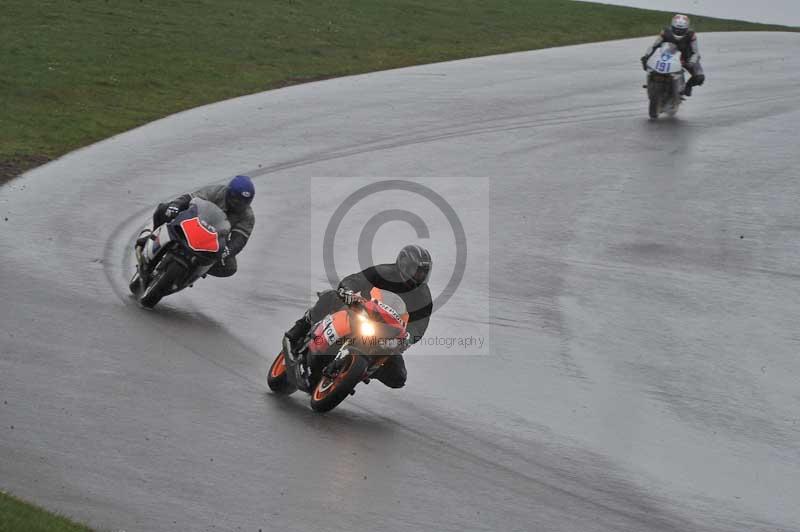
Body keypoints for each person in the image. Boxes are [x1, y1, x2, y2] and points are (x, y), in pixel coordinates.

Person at [284, 244, 434, 389]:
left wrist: (407, 338)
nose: (420, 276)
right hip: (360, 311)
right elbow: (354, 280)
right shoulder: (383, 272)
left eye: (424, 273)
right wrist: (347, 292)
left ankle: (360, 371)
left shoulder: (424, 296)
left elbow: (420, 326)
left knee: (398, 377)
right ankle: (299, 329)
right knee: (331, 296)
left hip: (386, 332)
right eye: (417, 271)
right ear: (404, 264)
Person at [145, 175, 255, 278]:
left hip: (214, 240)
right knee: (164, 209)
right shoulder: (216, 191)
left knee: (230, 267)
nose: (239, 204)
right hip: (194, 223)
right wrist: (176, 205)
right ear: (229, 193)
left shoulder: (248, 216)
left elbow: (240, 239)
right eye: (236, 199)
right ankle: (151, 237)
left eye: (244, 202)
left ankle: (194, 271)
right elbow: (190, 197)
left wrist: (228, 250)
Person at [641, 14, 705, 97]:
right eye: (676, 29)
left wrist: (691, 62)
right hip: (667, 55)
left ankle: (688, 86)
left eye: (681, 30)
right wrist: (646, 56)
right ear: (672, 26)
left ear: (686, 28)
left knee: (700, 77)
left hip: (686, 58)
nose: (678, 31)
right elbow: (654, 45)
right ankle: (651, 83)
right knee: (646, 63)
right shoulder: (665, 32)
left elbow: (695, 52)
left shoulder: (691, 35)